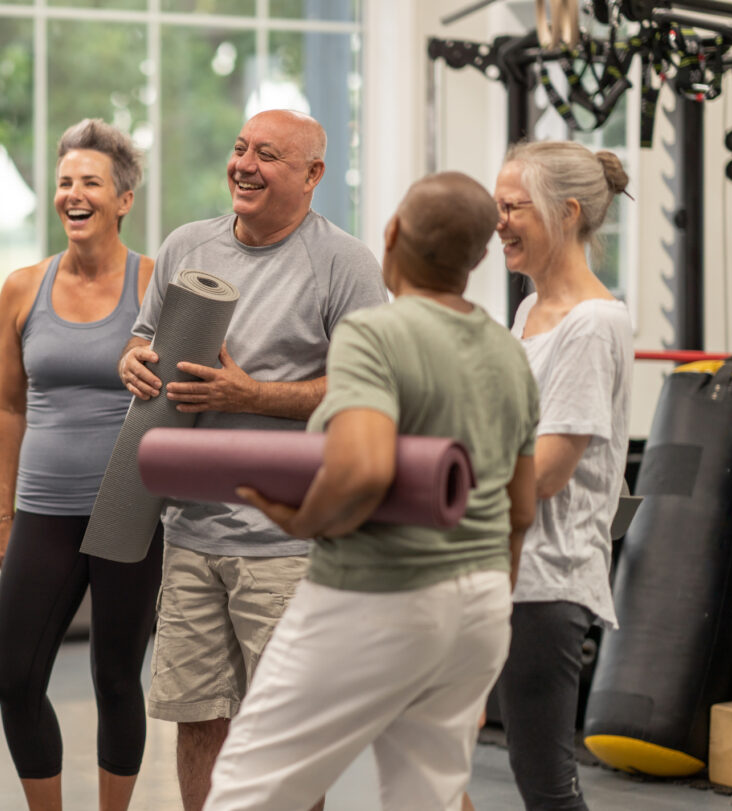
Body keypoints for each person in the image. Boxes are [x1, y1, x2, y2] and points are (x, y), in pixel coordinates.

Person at [202, 171, 541, 811]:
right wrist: (486, 608)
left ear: (391, 236)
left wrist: (305, 520)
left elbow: (361, 468)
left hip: (379, 592)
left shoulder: (376, 334)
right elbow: (520, 510)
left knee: (248, 791)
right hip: (481, 603)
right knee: (428, 798)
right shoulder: (506, 351)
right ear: (477, 260)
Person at [118, 108, 387, 811]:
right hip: (190, 533)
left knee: (287, 732)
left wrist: (253, 394)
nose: (244, 164)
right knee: (199, 716)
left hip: (289, 542)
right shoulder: (186, 247)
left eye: (267, 154)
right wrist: (135, 363)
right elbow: (144, 338)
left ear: (312, 175)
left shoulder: (345, 263)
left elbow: (368, 389)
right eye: (239, 148)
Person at [0, 119, 162, 811]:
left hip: (129, 507)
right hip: (43, 506)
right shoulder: (22, 287)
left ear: (123, 198)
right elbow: (8, 407)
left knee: (117, 677)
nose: (73, 193)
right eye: (65, 182)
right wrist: (2, 511)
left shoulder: (155, 282)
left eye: (90, 181)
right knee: (14, 678)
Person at [493, 141, 633, 810]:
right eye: (499, 207)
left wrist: (443, 477)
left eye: (515, 207)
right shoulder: (526, 313)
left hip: (549, 577)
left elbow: (546, 471)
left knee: (546, 781)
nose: (501, 223)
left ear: (568, 212)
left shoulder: (593, 323)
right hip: (509, 565)